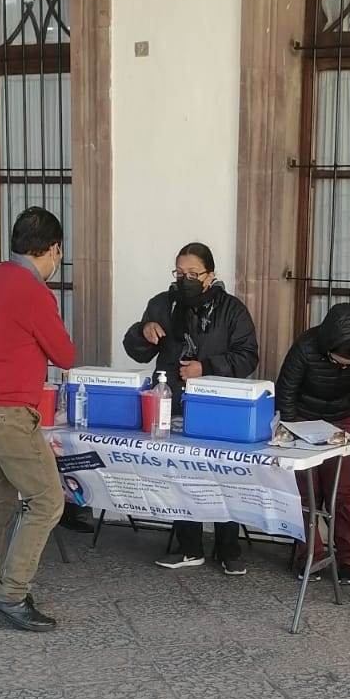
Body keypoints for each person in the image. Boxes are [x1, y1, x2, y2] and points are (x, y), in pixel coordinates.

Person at [0, 206, 75, 632]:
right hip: (9, 413)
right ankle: (11, 596)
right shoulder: (33, 291)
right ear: (54, 249)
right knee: (47, 501)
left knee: (0, 498)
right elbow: (65, 354)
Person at [122, 242, 259, 574]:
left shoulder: (232, 310)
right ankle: (189, 548)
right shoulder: (163, 304)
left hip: (218, 406)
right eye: (180, 273)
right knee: (182, 476)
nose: (185, 280)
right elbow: (137, 350)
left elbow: (248, 356)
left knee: (223, 476)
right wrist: (143, 332)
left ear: (210, 275)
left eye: (193, 274)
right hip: (174, 403)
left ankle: (228, 549)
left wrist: (206, 367)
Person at [277, 302, 350, 584]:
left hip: (340, 422)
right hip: (302, 420)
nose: (342, 367)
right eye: (336, 362)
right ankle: (310, 556)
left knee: (341, 492)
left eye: (347, 365)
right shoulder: (305, 346)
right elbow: (286, 390)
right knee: (306, 494)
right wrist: (293, 429)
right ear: (327, 347)